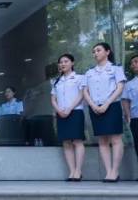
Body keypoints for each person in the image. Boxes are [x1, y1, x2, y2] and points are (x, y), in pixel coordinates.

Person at [82, 42, 126, 182]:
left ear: (107, 52)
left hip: (112, 106)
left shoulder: (115, 68)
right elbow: (85, 91)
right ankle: (108, 172)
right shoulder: (89, 72)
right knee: (102, 140)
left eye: (98, 50)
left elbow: (120, 87)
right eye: (94, 51)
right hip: (95, 107)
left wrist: (107, 103)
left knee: (115, 139)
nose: (95, 53)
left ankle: (115, 171)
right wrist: (93, 105)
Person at [50, 53, 85, 181]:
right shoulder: (56, 81)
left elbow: (82, 95)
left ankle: (78, 171)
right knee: (66, 143)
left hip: (75, 112)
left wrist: (70, 108)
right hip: (61, 113)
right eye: (61, 62)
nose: (63, 64)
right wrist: (59, 110)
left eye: (66, 61)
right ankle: (71, 171)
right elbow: (53, 99)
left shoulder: (80, 78)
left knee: (77, 141)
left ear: (72, 63)